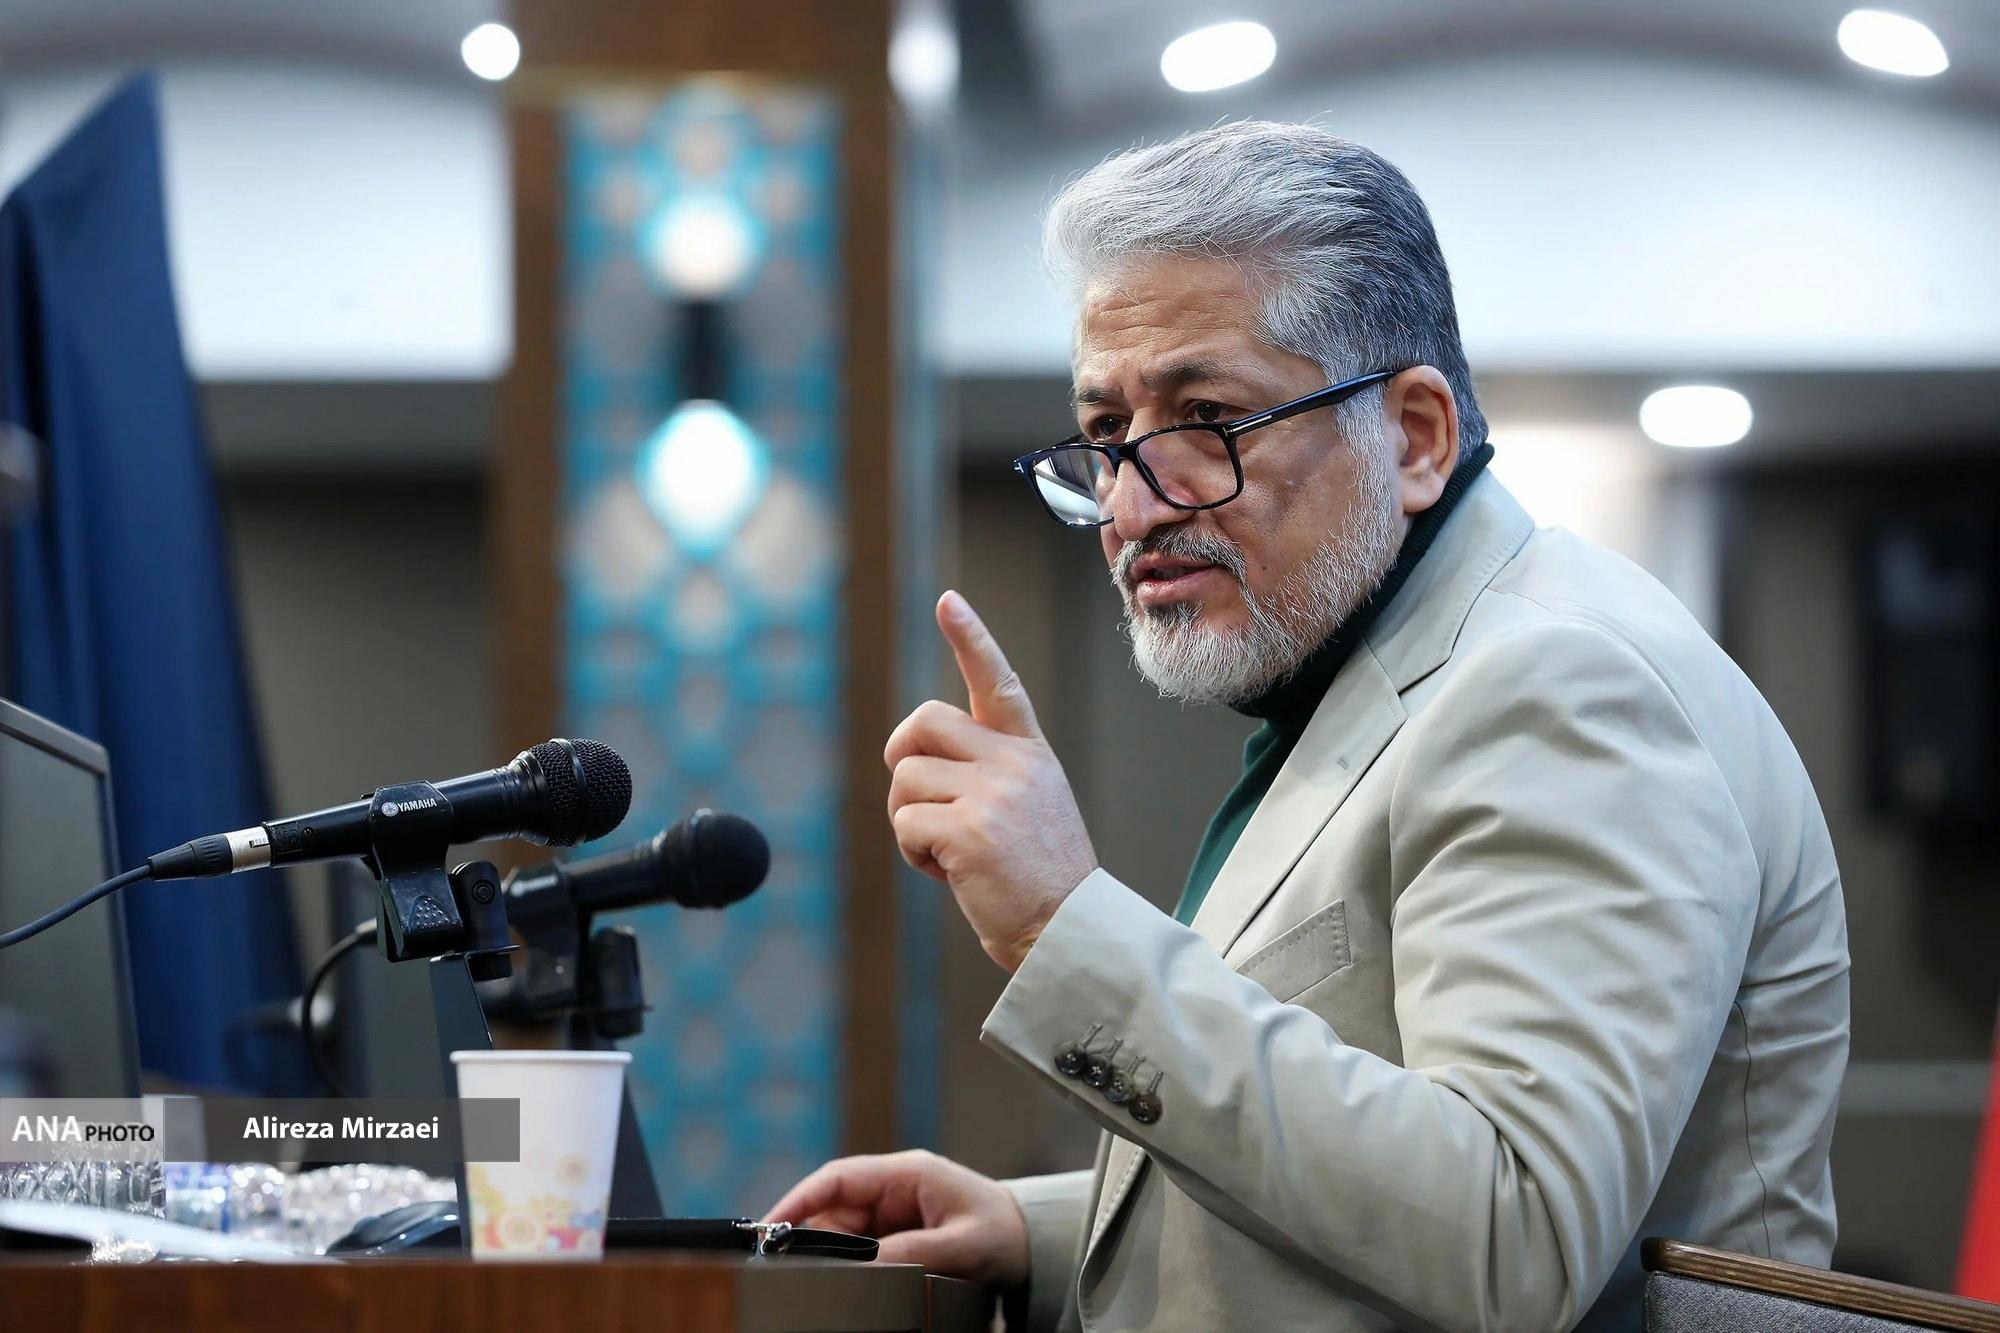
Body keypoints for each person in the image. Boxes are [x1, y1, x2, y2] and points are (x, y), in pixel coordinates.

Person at [766, 122, 1849, 1332]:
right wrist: (1046, 1231)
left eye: (1208, 420)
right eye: (1108, 436)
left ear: (1414, 435)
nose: (1133, 505)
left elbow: (1513, 1234)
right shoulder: (1381, 672)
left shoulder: (1558, 684)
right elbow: (1374, 1161)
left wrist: (1061, 926)